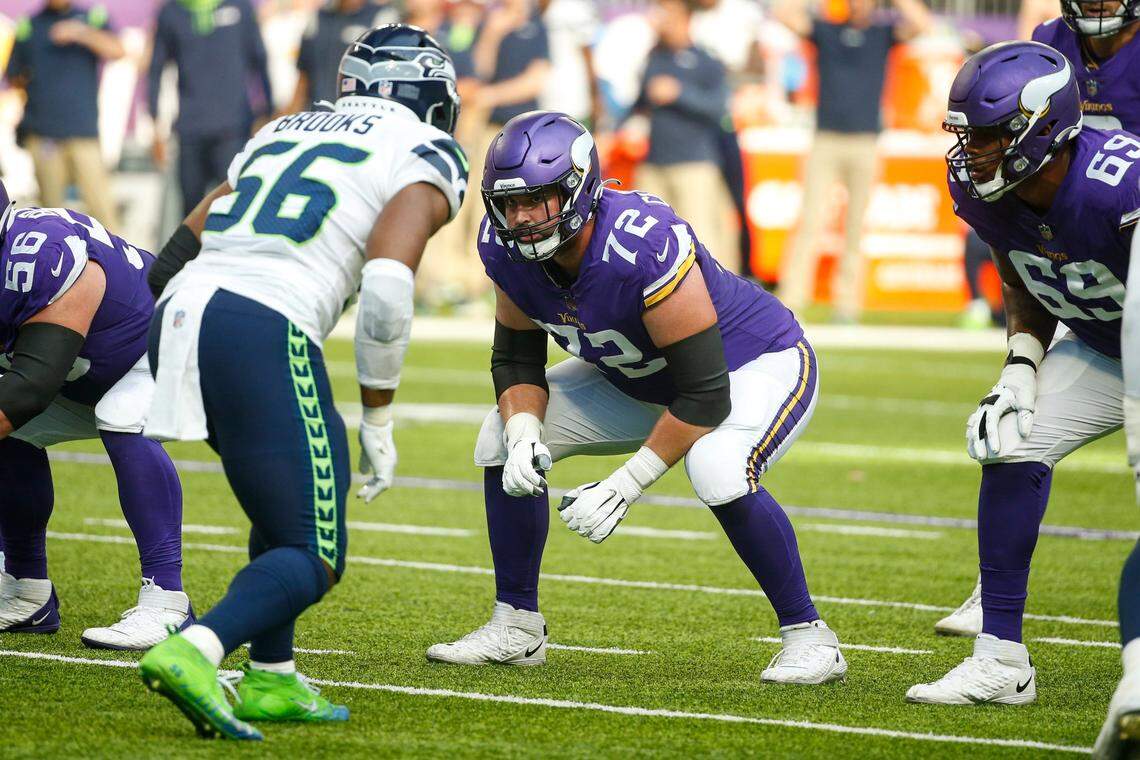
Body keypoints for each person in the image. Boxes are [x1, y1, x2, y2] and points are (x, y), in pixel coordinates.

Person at [426, 111, 848, 686]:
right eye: (510, 202)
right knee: (500, 436)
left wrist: (629, 482)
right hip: (639, 376)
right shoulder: (503, 247)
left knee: (717, 466)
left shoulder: (642, 243)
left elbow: (703, 392)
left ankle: (810, 636)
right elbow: (518, 356)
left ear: (576, 189)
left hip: (750, 365)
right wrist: (525, 430)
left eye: (538, 199)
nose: (521, 217)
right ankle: (517, 626)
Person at [136, 24, 467, 740]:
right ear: (429, 96)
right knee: (315, 551)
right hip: (262, 322)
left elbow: (195, 226)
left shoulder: (286, 126)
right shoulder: (426, 146)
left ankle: (273, 679)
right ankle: (199, 647)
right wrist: (378, 415)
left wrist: (142, 317)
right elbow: (385, 284)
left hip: (185, 310)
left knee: (283, 508)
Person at [906, 40, 1137, 705]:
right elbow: (1022, 268)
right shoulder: (987, 186)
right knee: (1013, 442)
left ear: (1041, 129)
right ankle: (1003, 660)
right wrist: (1020, 364)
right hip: (1102, 344)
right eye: (965, 135)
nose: (969, 151)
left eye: (985, 136)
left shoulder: (1119, 184)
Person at [0, 182, 191, 650]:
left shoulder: (41, 253)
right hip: (86, 370)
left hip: (170, 341)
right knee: (14, 435)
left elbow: (30, 387)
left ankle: (168, 602)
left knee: (123, 416)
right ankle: (26, 591)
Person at [773, 0, 931, 321]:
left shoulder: (883, 33)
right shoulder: (826, 29)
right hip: (826, 140)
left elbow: (923, 23)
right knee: (810, 222)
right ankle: (792, 298)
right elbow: (783, 14)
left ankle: (847, 304)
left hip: (865, 142)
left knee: (856, 227)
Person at [633, 0, 737, 272]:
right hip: (654, 162)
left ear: (686, 19)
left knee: (704, 239)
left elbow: (719, 108)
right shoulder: (655, 58)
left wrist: (679, 93)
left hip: (695, 163)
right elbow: (639, 104)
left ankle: (720, 298)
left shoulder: (707, 60)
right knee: (647, 238)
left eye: (670, 15)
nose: (664, 21)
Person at [147, 0, 274, 217]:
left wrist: (266, 112)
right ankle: (194, 254)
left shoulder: (240, 7)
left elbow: (259, 61)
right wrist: (156, 127)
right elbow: (156, 69)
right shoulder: (171, 12)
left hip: (233, 128)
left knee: (235, 207)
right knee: (191, 212)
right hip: (190, 129)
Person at [5, 0, 124, 230]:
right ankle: (55, 266)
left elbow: (118, 50)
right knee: (50, 219)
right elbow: (13, 75)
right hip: (43, 134)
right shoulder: (29, 25)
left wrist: (82, 33)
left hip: (82, 130)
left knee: (103, 212)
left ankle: (117, 265)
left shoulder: (92, 18)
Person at [288, 0, 399, 113]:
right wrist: (290, 112)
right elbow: (304, 75)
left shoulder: (383, 17)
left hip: (356, 116)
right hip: (316, 113)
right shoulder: (318, 15)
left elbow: (386, 79)